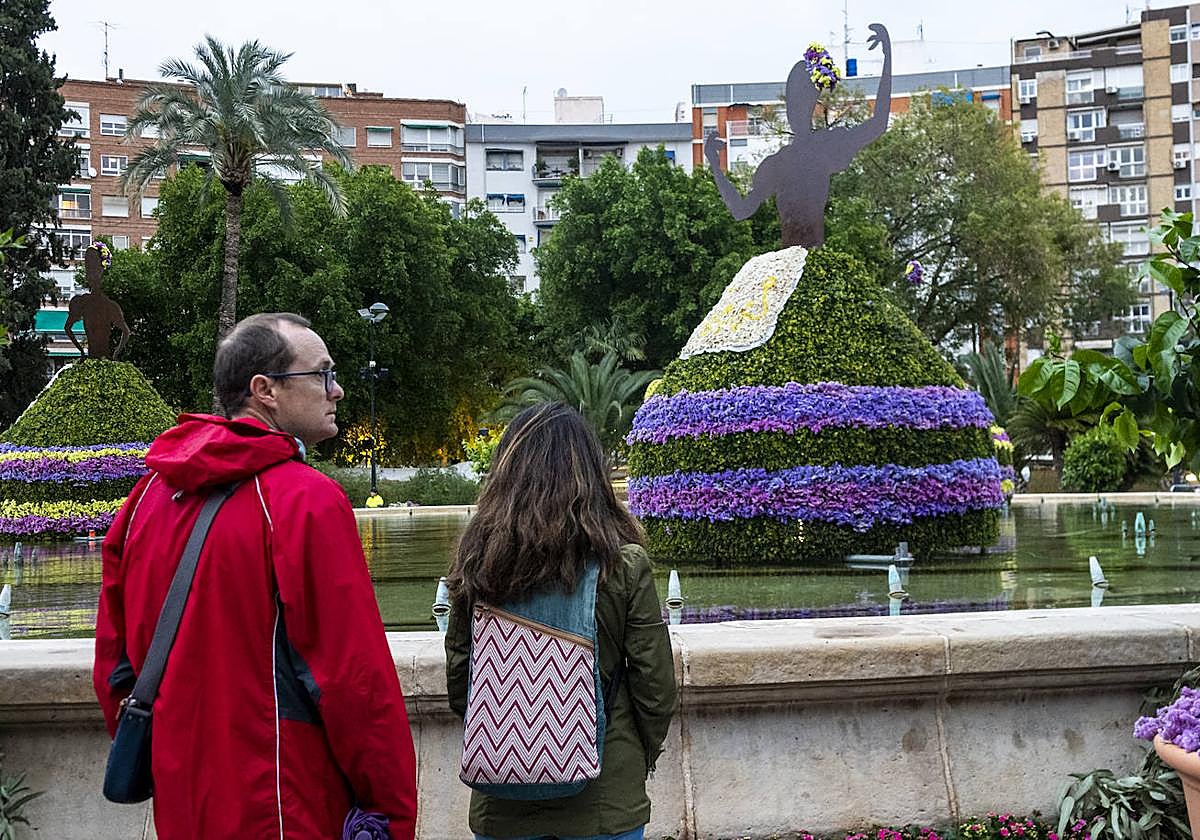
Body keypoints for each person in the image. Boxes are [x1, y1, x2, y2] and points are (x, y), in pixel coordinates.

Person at [93, 312, 418, 840]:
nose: (336, 390)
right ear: (265, 390)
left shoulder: (147, 496)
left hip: (182, 800)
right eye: (323, 374)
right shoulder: (305, 501)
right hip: (288, 805)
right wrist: (392, 812)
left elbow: (114, 662)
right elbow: (354, 683)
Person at [445, 402, 678, 840]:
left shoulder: (477, 563)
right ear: (592, 474)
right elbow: (655, 686)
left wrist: (514, 736)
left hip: (502, 799)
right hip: (606, 798)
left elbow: (462, 677)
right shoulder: (622, 566)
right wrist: (638, 753)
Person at [704, 23, 893, 248]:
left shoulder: (825, 147)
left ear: (812, 104)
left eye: (803, 102)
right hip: (790, 260)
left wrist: (887, 58)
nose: (796, 111)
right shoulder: (778, 164)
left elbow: (878, 124)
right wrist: (715, 166)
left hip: (814, 255)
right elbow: (740, 210)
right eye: (793, 103)